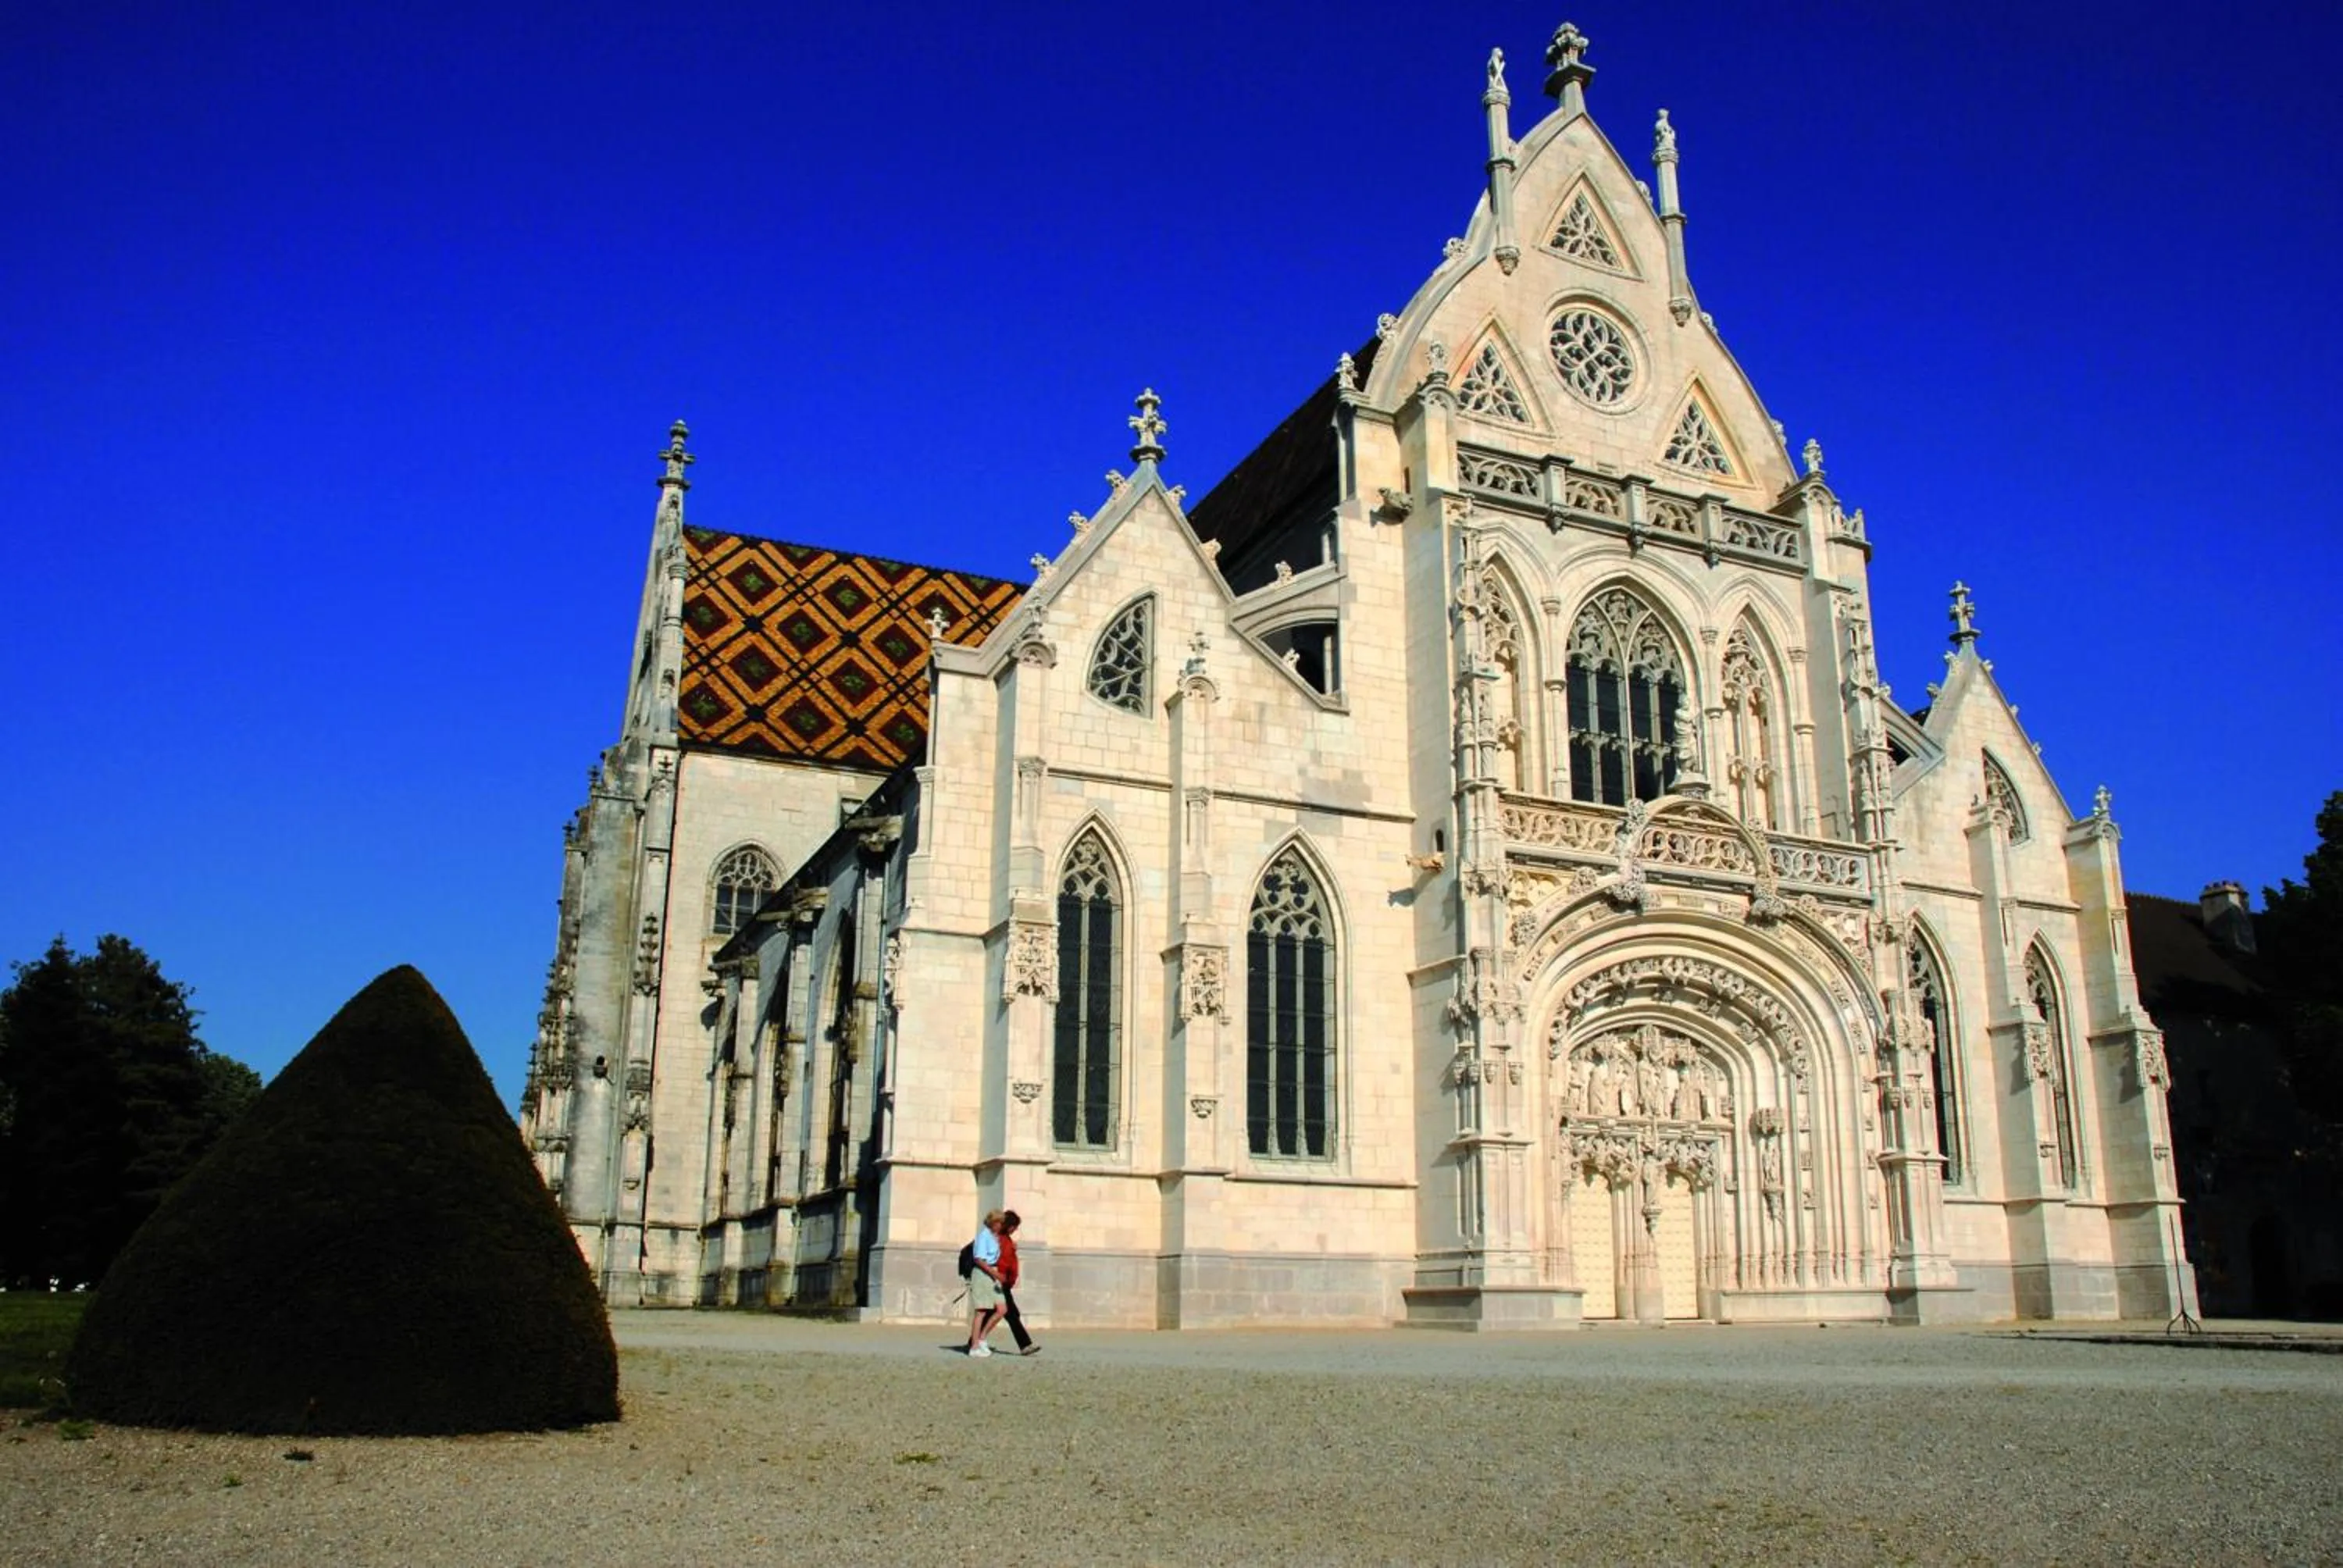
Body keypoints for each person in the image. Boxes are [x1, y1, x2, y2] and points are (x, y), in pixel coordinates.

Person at [996, 1210, 1040, 1356]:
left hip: (1004, 1283)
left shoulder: (1005, 1240)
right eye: (1015, 1226)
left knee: (1001, 1313)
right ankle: (1025, 1345)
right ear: (1010, 1226)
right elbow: (1002, 1262)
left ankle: (974, 1341)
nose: (1016, 1230)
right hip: (1001, 1283)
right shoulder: (1002, 1241)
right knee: (1012, 1314)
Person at [965, 1209, 1007, 1356]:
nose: (1001, 1226)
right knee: (981, 1311)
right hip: (983, 1274)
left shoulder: (994, 1237)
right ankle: (974, 1346)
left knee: (1002, 1309)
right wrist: (995, 1273)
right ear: (993, 1223)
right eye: (999, 1223)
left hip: (993, 1274)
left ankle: (982, 1338)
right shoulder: (983, 1236)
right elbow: (979, 1259)